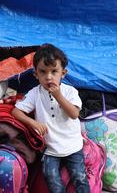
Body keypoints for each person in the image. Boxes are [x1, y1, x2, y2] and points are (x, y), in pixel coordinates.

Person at [11, 44, 89, 193]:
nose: (48, 77)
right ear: (35, 74)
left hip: (72, 145)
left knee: (80, 177)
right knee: (51, 178)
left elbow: (74, 114)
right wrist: (32, 122)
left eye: (54, 71)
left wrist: (58, 96)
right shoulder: (35, 93)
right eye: (43, 72)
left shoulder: (70, 91)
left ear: (63, 73)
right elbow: (16, 111)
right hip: (50, 149)